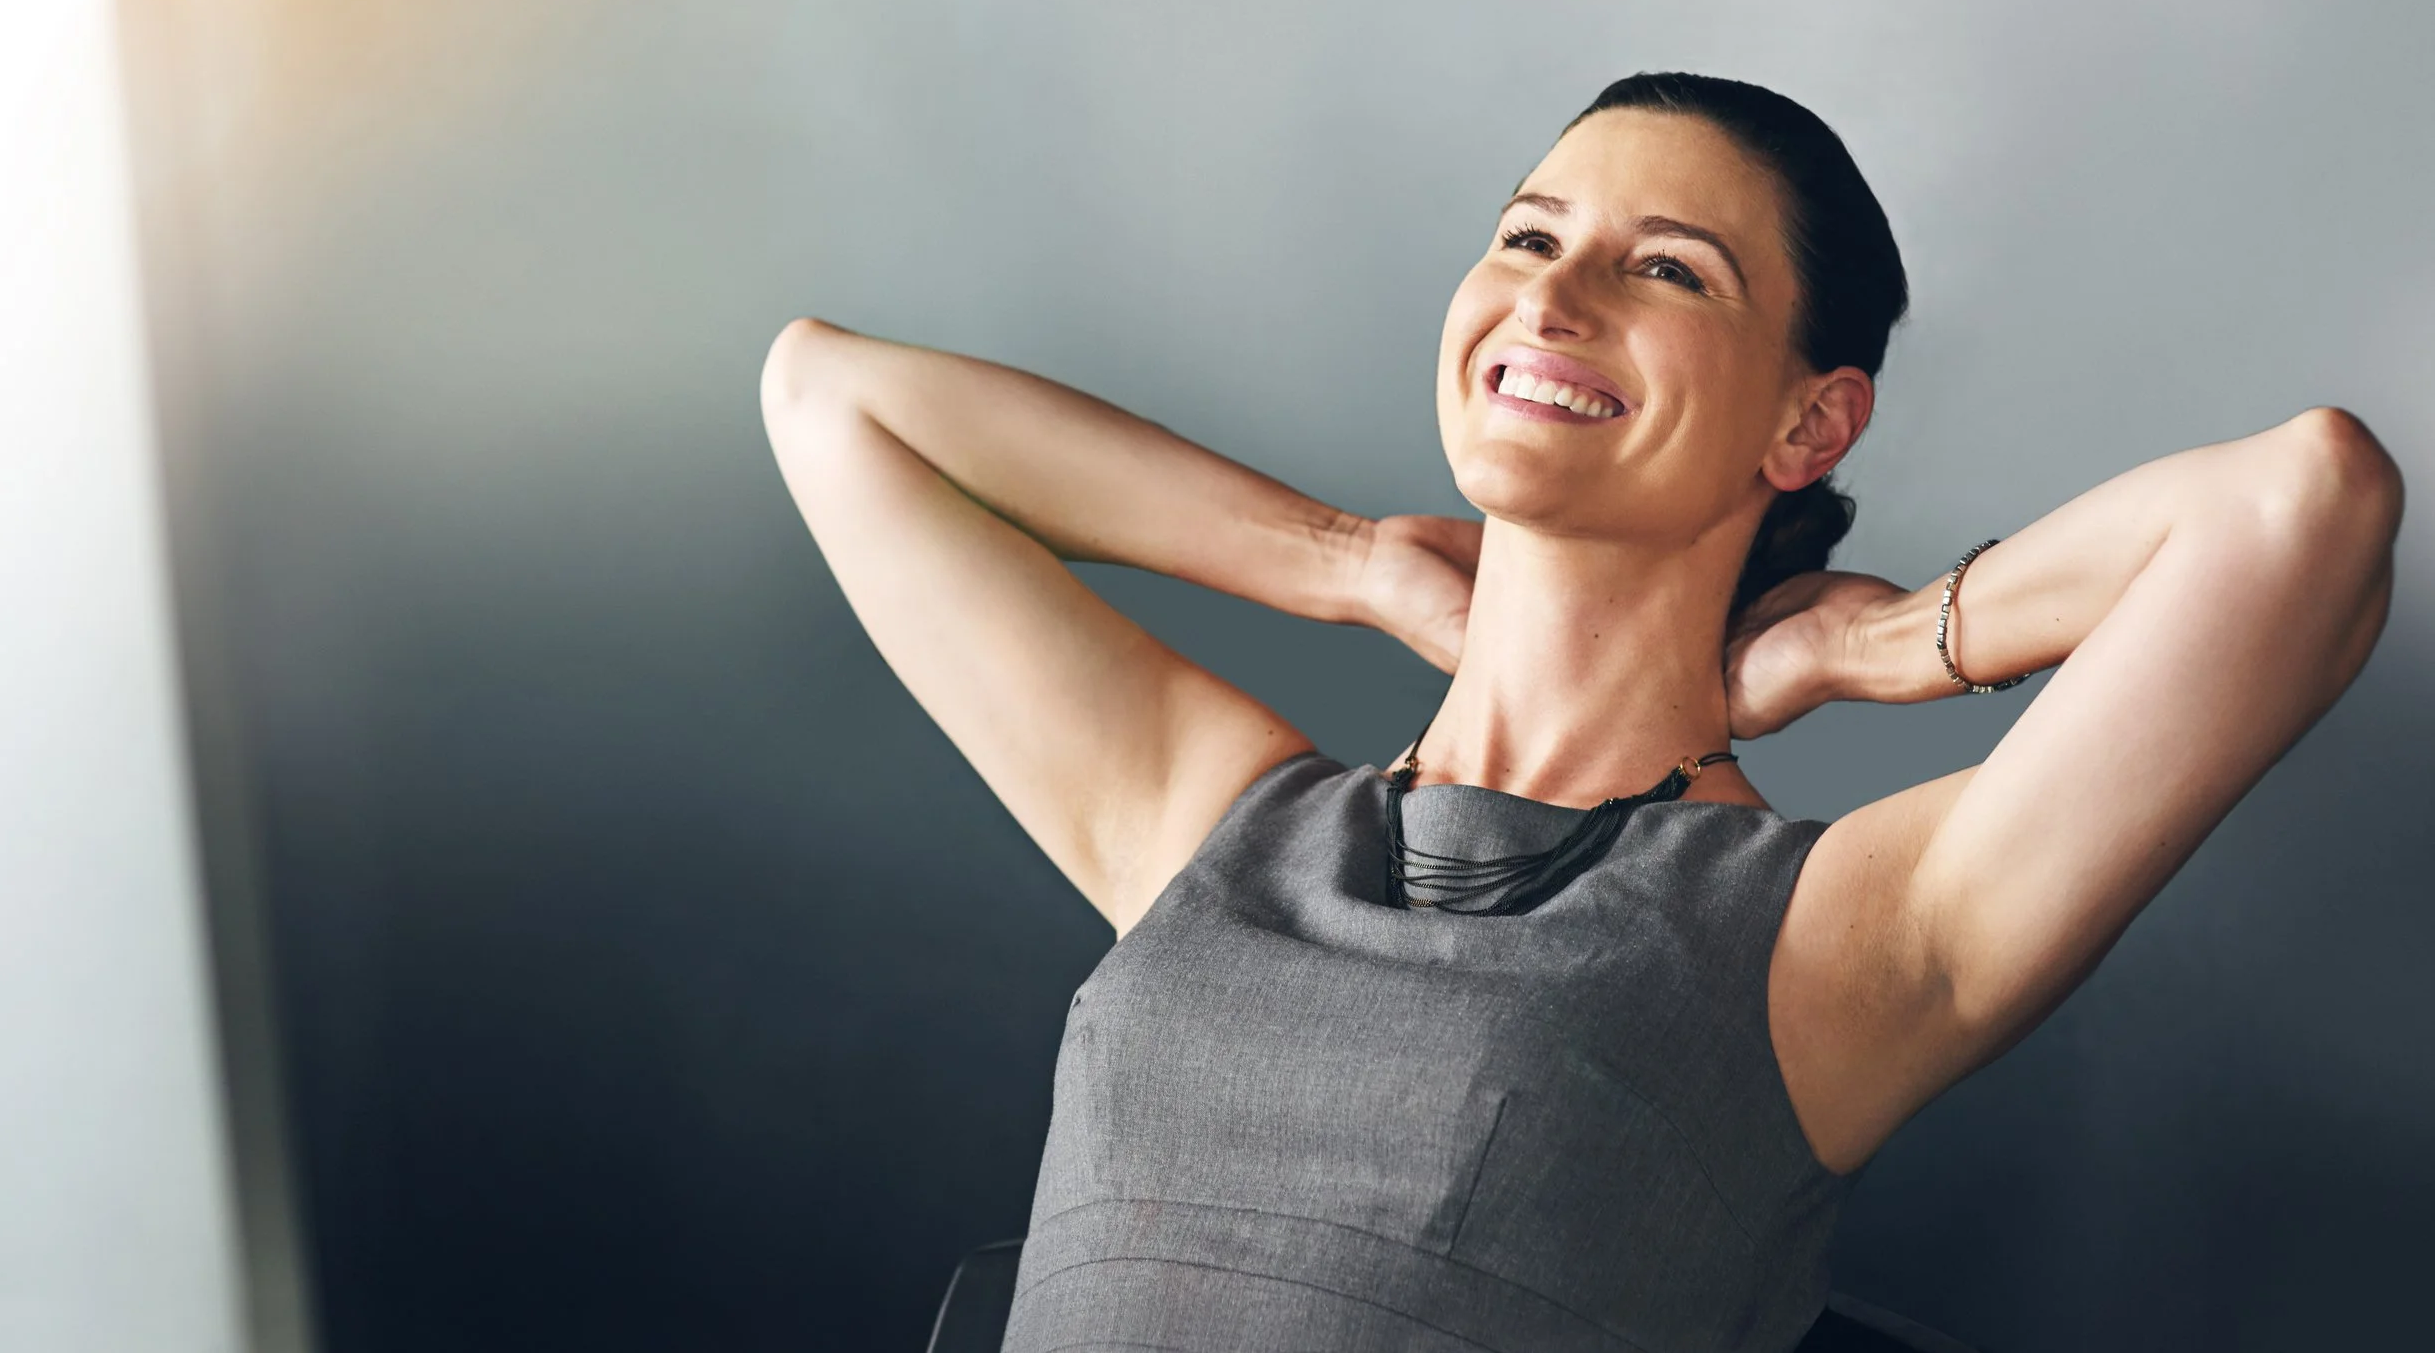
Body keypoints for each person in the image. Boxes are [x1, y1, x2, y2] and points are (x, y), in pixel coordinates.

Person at [758, 72, 2402, 1352]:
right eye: (1529, 236)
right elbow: (832, 399)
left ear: (1810, 424)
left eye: (1665, 271)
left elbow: (2302, 510)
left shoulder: (1829, 938)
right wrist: (1347, 563)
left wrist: (1890, 645)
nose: (1553, 298)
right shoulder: (1216, 828)